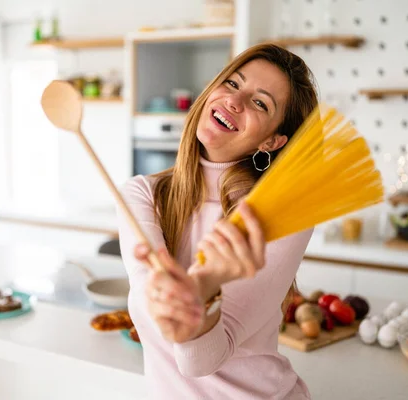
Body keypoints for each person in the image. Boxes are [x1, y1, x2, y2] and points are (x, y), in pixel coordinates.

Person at [116, 43, 319, 399]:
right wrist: (201, 287)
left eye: (260, 103)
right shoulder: (141, 195)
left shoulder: (282, 214)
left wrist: (206, 287)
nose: (234, 101)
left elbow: (200, 362)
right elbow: (155, 308)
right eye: (232, 83)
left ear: (272, 140)